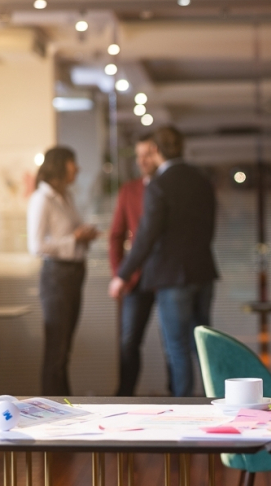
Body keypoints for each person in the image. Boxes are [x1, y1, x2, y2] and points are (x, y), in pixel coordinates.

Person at [109, 126, 218, 397]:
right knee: (202, 345)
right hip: (203, 272)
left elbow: (146, 236)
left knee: (177, 346)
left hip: (172, 278)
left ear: (156, 150)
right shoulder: (202, 179)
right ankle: (215, 401)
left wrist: (122, 275)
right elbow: (210, 227)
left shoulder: (159, 185)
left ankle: (185, 410)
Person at [27, 146, 98, 396]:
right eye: (72, 162)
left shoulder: (66, 196)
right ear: (60, 165)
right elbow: (36, 246)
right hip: (57, 276)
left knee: (64, 350)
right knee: (56, 351)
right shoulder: (41, 199)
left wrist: (84, 235)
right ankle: (50, 409)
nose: (77, 168)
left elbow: (71, 232)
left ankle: (63, 405)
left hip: (73, 274)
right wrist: (74, 239)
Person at [108, 133, 161, 396]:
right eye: (138, 156)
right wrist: (120, 273)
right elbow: (116, 235)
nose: (142, 161)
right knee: (129, 342)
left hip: (166, 277)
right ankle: (124, 395)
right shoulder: (129, 190)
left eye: (147, 155)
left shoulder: (169, 186)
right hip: (136, 279)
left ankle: (180, 398)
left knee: (172, 345)